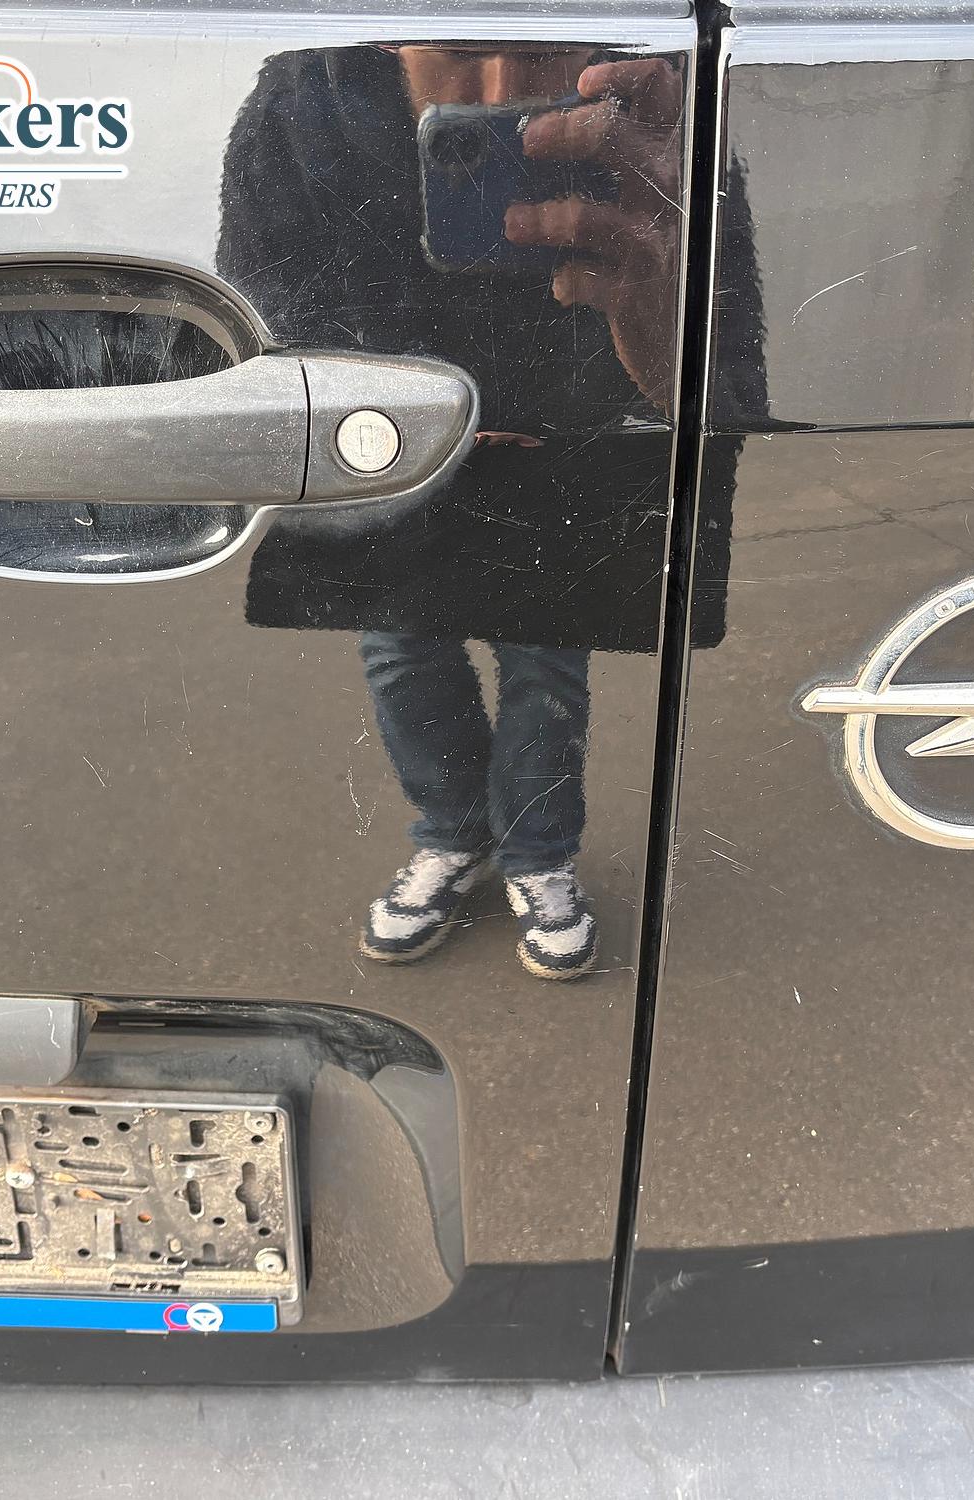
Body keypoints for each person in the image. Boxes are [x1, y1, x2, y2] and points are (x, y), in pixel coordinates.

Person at [218, 45, 690, 980]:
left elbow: (715, 320)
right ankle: (454, 833)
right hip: (384, 447)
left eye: (534, 48)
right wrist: (412, 410)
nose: (502, 84)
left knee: (546, 666)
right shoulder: (303, 93)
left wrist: (654, 290)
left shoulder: (637, 83)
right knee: (402, 653)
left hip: (555, 441)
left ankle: (538, 854)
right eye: (460, 49)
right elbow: (260, 283)